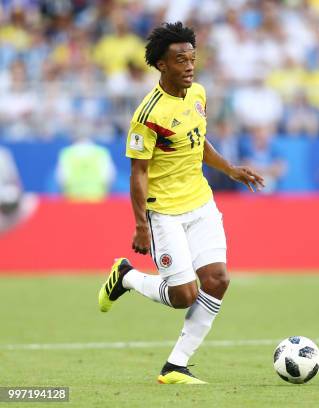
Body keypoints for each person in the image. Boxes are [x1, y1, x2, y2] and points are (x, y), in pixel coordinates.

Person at [97, 22, 265, 385]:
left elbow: (198, 142)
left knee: (217, 280)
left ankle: (176, 366)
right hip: (164, 213)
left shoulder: (198, 94)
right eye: (180, 60)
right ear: (161, 65)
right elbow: (138, 173)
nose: (189, 66)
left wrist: (231, 170)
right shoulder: (148, 115)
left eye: (192, 58)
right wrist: (141, 225)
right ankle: (126, 277)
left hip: (201, 203)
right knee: (184, 295)